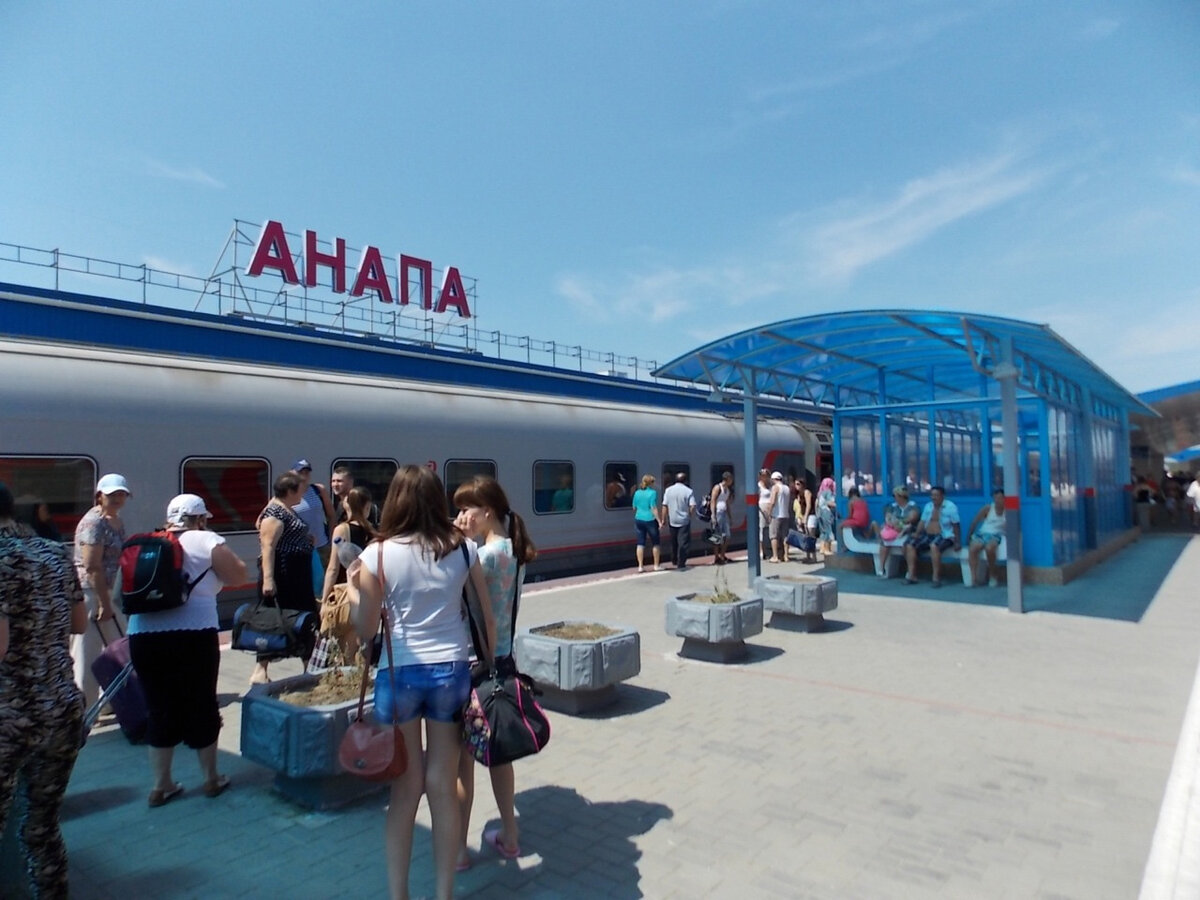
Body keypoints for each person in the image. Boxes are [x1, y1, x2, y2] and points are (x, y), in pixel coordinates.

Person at [352, 465, 495, 900]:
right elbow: (485, 618)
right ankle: (444, 892)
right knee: (442, 785)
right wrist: (490, 665)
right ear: (437, 499)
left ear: (394, 501)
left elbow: (364, 629)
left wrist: (355, 590)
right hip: (451, 670)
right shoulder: (463, 549)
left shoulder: (378, 554)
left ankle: (399, 894)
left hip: (399, 674)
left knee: (405, 788)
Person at [128, 494, 247, 807]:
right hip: (194, 633)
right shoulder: (206, 539)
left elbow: (118, 596)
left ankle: (161, 785)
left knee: (158, 707)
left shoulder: (144, 542)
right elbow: (239, 575)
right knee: (201, 703)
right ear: (200, 519)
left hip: (143, 635)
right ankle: (210, 779)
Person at [0, 481, 88, 898]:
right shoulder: (54, 552)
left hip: (10, 718)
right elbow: (79, 623)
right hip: (62, 708)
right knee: (41, 826)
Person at [452, 476, 536, 871]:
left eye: (465, 508)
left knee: (462, 762)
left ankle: (458, 850)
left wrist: (456, 544)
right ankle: (510, 835)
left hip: (470, 665)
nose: (460, 516)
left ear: (486, 511)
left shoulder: (479, 557)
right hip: (503, 663)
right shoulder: (515, 553)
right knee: (499, 755)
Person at [72, 472, 131, 708]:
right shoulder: (93, 523)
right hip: (91, 594)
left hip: (109, 593)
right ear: (99, 496)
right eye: (112, 494)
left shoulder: (115, 520)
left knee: (120, 651)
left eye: (121, 494)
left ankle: (112, 702)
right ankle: (84, 711)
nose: (117, 498)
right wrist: (104, 604)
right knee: (87, 656)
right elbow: (92, 566)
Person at [251, 472, 315, 685]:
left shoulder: (286, 509)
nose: (302, 495)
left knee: (303, 616)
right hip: (284, 573)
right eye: (300, 490)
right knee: (273, 618)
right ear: (289, 491)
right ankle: (260, 670)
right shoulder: (275, 512)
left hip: (297, 573)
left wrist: (305, 539)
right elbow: (268, 546)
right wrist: (269, 579)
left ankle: (308, 664)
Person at [320, 485, 377, 660]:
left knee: (346, 651)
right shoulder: (374, 531)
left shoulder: (342, 530)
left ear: (347, 505)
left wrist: (324, 600)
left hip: (345, 592)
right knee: (363, 646)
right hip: (368, 593)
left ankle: (349, 675)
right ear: (367, 506)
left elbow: (333, 567)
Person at [903, 485, 961, 587]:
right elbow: (922, 522)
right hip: (928, 534)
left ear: (942, 496)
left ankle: (936, 578)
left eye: (936, 495)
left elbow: (956, 525)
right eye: (932, 495)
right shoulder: (928, 506)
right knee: (910, 544)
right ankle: (911, 575)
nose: (933, 497)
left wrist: (957, 542)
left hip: (944, 535)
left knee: (934, 546)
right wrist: (917, 533)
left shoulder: (950, 507)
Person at [290, 458, 336, 566]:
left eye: (306, 472)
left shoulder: (318, 490)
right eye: (300, 472)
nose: (304, 476)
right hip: (299, 548)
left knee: (324, 575)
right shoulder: (288, 493)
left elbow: (331, 515)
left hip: (322, 546)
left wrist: (331, 540)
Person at [967, 488, 1007, 587]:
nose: (997, 500)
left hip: (997, 535)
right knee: (973, 548)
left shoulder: (1009, 510)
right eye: (995, 498)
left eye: (1000, 498)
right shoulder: (988, 508)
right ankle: (973, 579)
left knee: (989, 548)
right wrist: (969, 536)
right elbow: (975, 521)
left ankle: (992, 575)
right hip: (983, 533)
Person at [877, 486, 919, 577]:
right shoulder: (892, 506)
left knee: (906, 545)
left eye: (895, 496)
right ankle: (881, 568)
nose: (894, 498)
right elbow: (888, 517)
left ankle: (910, 570)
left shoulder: (912, 506)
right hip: (893, 530)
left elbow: (912, 518)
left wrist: (899, 523)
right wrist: (893, 525)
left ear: (901, 496)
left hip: (907, 530)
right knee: (884, 543)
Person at [661, 473, 696, 570]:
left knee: (674, 541)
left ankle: (674, 560)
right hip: (684, 520)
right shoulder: (688, 491)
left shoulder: (668, 490)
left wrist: (663, 519)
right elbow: (692, 506)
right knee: (683, 542)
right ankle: (681, 562)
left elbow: (664, 505)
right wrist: (689, 515)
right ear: (685, 481)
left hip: (672, 519)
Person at [631, 474, 663, 572]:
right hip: (650, 520)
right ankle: (656, 565)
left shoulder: (637, 493)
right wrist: (659, 521)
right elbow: (653, 507)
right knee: (655, 543)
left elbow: (634, 507)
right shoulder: (653, 493)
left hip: (639, 519)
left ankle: (640, 566)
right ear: (651, 483)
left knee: (640, 543)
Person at [709, 471, 734, 565]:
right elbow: (713, 501)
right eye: (731, 479)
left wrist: (730, 517)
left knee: (727, 536)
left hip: (724, 513)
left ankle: (722, 555)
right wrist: (713, 515)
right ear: (727, 479)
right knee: (716, 536)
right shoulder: (717, 487)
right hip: (718, 513)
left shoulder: (727, 490)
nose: (732, 481)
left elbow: (727, 503)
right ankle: (716, 557)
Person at [767, 472, 791, 563]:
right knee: (785, 536)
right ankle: (786, 556)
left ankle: (775, 556)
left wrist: (769, 513)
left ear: (774, 479)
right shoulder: (787, 488)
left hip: (776, 515)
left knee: (774, 536)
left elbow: (772, 501)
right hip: (785, 515)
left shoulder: (775, 488)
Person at [815, 477, 838, 555]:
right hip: (827, 513)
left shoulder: (820, 493)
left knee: (823, 532)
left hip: (820, 513)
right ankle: (827, 549)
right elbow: (830, 502)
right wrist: (837, 505)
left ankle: (822, 548)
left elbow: (816, 503)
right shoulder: (828, 492)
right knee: (828, 530)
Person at [756, 469, 773, 560]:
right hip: (762, 509)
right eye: (763, 475)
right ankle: (762, 551)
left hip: (770, 509)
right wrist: (762, 510)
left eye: (767, 475)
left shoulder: (771, 485)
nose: (765, 477)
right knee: (762, 529)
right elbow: (757, 499)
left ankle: (769, 550)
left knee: (770, 530)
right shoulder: (759, 486)